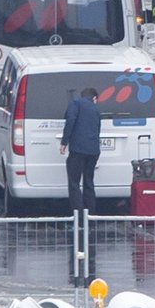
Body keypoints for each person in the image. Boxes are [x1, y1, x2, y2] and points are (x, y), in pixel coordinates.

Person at [60, 87, 102, 216]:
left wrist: (64, 141)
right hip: (94, 151)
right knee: (89, 182)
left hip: (78, 150)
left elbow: (70, 119)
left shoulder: (75, 104)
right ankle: (90, 216)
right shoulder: (96, 110)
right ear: (94, 98)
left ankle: (78, 217)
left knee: (74, 183)